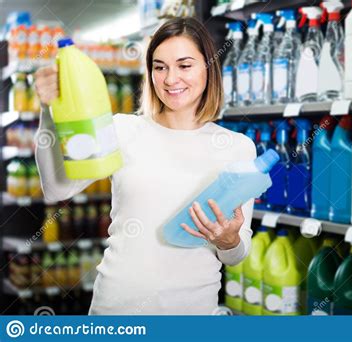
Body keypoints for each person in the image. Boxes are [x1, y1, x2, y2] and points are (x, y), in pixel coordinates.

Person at [33, 17, 255, 315]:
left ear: (208, 67)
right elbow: (56, 188)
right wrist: (49, 111)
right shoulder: (123, 130)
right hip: (116, 310)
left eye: (184, 65)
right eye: (159, 67)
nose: (170, 79)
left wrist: (228, 241)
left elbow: (236, 254)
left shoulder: (237, 148)